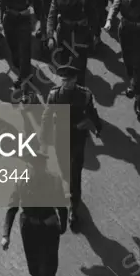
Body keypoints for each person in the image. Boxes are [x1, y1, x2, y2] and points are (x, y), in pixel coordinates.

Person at [2, 153, 68, 276]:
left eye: (40, 166)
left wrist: (62, 224)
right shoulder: (21, 181)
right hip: (30, 231)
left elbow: (61, 204)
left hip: (48, 230)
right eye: (33, 167)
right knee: (34, 267)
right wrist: (6, 234)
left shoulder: (53, 181)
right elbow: (12, 206)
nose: (37, 170)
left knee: (49, 267)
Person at [41, 64, 102, 230]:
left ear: (75, 79)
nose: (65, 83)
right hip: (60, 138)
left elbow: (92, 112)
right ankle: (70, 192)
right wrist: (44, 142)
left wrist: (97, 127)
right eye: (63, 80)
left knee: (75, 174)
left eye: (69, 80)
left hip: (77, 138)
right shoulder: (54, 95)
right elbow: (46, 118)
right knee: (64, 171)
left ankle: (73, 209)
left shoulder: (84, 95)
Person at [0, 0, 40, 97]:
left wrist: (36, 19)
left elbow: (38, 4)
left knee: (24, 50)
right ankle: (22, 70)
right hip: (9, 20)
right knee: (13, 50)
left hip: (24, 21)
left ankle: (24, 80)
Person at [46, 0, 97, 86]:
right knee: (64, 62)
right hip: (64, 32)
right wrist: (50, 36)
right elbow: (51, 15)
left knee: (80, 64)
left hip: (80, 33)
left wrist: (95, 34)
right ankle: (67, 88)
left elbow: (93, 16)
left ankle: (80, 89)